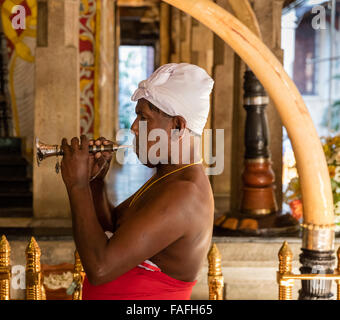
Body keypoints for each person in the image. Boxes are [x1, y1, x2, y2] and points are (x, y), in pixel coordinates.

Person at [60, 63, 215, 300]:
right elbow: (115, 230)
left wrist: (76, 186)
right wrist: (95, 183)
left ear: (177, 127)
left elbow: (100, 268)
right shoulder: (167, 176)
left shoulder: (185, 193)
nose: (133, 128)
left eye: (144, 118)